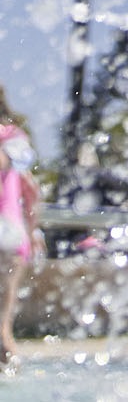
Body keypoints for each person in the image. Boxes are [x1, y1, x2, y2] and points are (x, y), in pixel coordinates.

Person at [0, 113, 37, 371]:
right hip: (14, 235)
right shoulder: (15, 144)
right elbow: (33, 194)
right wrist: (32, 233)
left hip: (7, 233)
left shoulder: (9, 142)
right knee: (3, 325)